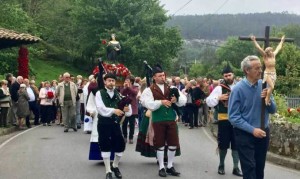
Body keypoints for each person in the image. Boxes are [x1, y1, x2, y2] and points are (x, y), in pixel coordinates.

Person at [228, 55, 276, 179]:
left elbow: (273, 110)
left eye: (261, 67)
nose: (260, 71)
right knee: (249, 168)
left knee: (260, 168)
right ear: (246, 70)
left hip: (263, 133)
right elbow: (233, 117)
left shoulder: (265, 85)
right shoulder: (238, 89)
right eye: (257, 68)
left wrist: (268, 98)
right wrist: (252, 130)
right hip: (245, 134)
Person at [140, 65, 186, 177]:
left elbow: (183, 101)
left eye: (163, 75)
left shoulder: (172, 88)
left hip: (171, 119)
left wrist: (177, 99)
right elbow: (147, 103)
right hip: (158, 120)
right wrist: (161, 102)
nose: (163, 77)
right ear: (154, 77)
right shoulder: (149, 90)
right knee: (159, 144)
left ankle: (170, 166)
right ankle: (161, 167)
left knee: (173, 143)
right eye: (160, 76)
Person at [206, 64, 243, 177]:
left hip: (238, 121)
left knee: (236, 145)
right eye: (226, 75)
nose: (228, 77)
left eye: (229, 75)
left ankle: (236, 167)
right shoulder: (219, 88)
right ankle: (221, 165)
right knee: (223, 144)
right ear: (223, 76)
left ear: (233, 75)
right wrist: (218, 98)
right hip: (224, 120)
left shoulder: (240, 86)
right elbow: (208, 101)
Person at [95, 73, 132, 179]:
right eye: (109, 80)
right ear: (105, 82)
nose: (111, 82)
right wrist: (114, 110)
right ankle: (108, 171)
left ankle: (115, 166)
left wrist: (126, 109)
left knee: (120, 145)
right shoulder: (99, 93)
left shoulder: (119, 94)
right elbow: (100, 109)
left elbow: (128, 112)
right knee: (105, 145)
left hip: (115, 124)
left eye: (113, 81)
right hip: (103, 123)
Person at [250, 35, 285, 105]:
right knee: (272, 86)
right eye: (270, 51)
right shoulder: (265, 56)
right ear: (267, 52)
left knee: (270, 89)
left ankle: (267, 98)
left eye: (272, 51)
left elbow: (278, 48)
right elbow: (259, 48)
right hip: (267, 74)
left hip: (274, 74)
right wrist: (254, 40)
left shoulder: (273, 55)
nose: (271, 52)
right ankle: (267, 99)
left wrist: (282, 41)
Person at [120, 76, 139, 144]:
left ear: (131, 81)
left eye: (127, 80)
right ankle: (125, 136)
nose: (126, 81)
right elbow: (121, 93)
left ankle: (131, 138)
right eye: (125, 80)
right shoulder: (123, 87)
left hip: (133, 108)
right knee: (124, 123)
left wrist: (128, 87)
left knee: (132, 124)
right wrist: (125, 87)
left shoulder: (135, 87)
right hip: (125, 107)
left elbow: (135, 93)